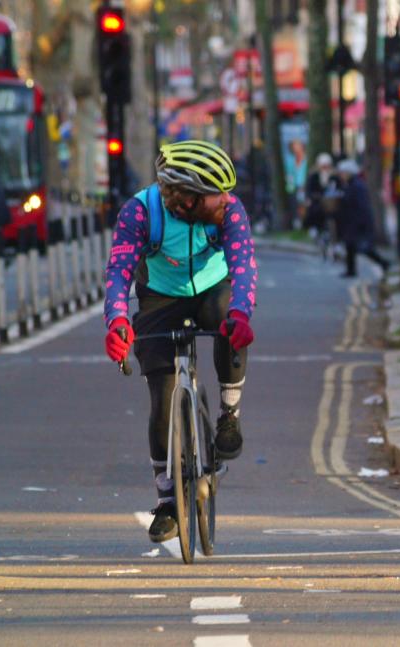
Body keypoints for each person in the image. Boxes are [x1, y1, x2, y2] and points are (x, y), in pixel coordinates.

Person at [103, 140, 258, 544]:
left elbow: (243, 266)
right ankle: (168, 500)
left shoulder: (230, 211)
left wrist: (241, 314)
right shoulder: (140, 213)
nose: (227, 199)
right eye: (215, 194)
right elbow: (119, 271)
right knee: (163, 394)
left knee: (227, 321)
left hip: (212, 290)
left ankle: (228, 415)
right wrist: (117, 320)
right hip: (159, 296)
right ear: (188, 199)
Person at [334, 158, 390, 278]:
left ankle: (384, 263)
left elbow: (361, 206)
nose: (341, 175)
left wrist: (360, 223)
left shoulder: (357, 186)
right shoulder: (350, 184)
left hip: (358, 222)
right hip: (352, 221)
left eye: (343, 172)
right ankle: (351, 270)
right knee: (351, 246)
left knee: (364, 248)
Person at [304, 152, 338, 235]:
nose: (325, 168)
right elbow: (309, 190)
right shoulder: (313, 176)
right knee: (315, 210)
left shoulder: (334, 176)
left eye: (327, 166)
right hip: (317, 201)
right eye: (323, 166)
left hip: (331, 201)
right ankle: (315, 228)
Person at [284, 138, 308, 229]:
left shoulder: (306, 158)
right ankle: (296, 221)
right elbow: (288, 174)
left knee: (302, 204)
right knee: (294, 204)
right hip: (292, 187)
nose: (296, 148)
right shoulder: (290, 160)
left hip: (304, 185)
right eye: (294, 145)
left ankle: (302, 222)